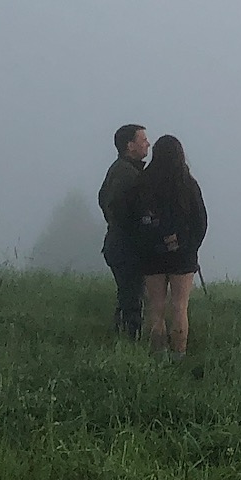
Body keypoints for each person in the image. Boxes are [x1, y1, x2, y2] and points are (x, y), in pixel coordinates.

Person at [131, 133, 208, 360]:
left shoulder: (142, 183)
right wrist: (190, 246)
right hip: (183, 257)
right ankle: (179, 356)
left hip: (151, 255)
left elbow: (132, 220)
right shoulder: (189, 185)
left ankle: (158, 355)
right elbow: (201, 221)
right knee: (180, 307)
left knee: (155, 308)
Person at [98, 124, 149, 338]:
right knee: (132, 298)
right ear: (130, 146)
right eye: (143, 139)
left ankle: (122, 338)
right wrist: (142, 227)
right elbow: (119, 209)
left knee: (128, 295)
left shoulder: (119, 169)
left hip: (118, 245)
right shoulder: (127, 174)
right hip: (126, 247)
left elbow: (103, 200)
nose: (148, 143)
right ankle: (129, 341)